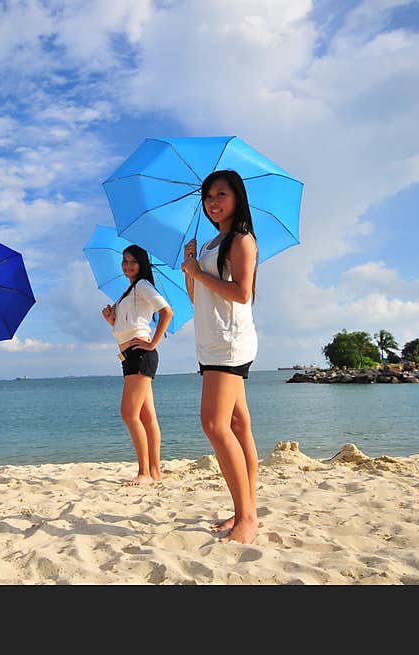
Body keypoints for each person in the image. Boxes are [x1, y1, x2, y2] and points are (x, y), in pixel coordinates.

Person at [180, 169, 260, 544]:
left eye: (221, 194)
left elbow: (242, 293)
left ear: (236, 197)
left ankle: (247, 518)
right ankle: (246, 509)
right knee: (239, 426)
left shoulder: (241, 241)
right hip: (211, 341)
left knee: (214, 425)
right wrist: (189, 268)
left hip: (229, 343)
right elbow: (199, 299)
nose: (213, 202)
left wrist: (198, 270)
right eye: (208, 196)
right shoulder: (212, 243)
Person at [101, 244, 173, 486]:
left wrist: (153, 343)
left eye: (132, 261)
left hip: (140, 354)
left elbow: (167, 312)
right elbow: (124, 330)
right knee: (146, 415)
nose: (127, 265)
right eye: (124, 261)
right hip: (130, 355)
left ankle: (144, 472)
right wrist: (112, 320)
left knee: (129, 414)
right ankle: (154, 472)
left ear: (142, 264)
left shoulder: (142, 285)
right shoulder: (128, 291)